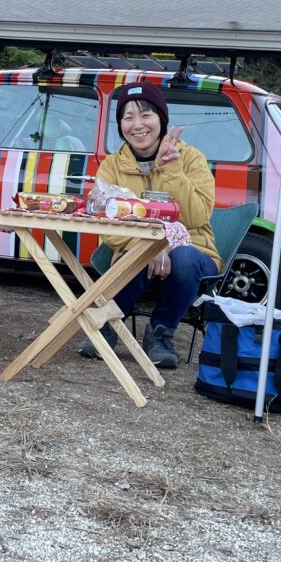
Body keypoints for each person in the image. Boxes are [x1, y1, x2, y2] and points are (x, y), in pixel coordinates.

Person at [80, 81, 221, 368]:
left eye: (146, 115)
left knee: (182, 258)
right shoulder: (112, 166)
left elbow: (197, 217)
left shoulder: (191, 159)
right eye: (128, 117)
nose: (137, 125)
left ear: (161, 118)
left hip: (193, 250)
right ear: (120, 125)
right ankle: (108, 324)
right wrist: (150, 245)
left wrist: (172, 169)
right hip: (137, 253)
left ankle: (161, 333)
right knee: (139, 256)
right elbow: (109, 225)